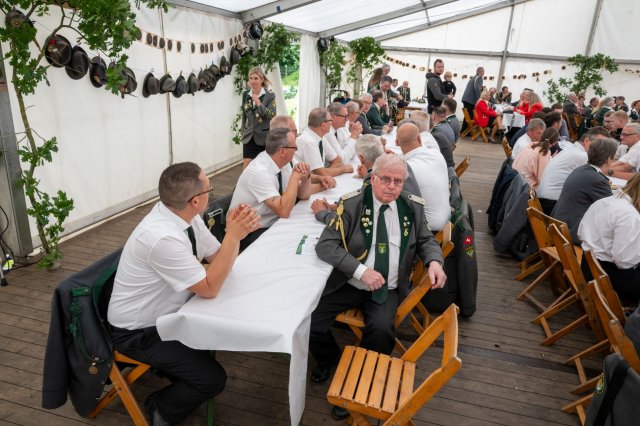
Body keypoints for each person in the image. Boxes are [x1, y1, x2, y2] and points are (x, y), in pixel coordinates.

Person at [108, 162, 260, 425]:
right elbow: (210, 288)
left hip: (170, 313)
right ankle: (159, 406)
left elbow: (216, 258)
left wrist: (234, 230)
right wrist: (234, 237)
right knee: (212, 379)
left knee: (218, 337)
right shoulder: (161, 237)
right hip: (138, 332)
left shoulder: (183, 216)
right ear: (196, 201)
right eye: (209, 188)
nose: (211, 192)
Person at [310, 154, 446, 418]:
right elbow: (325, 246)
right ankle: (330, 359)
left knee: (382, 330)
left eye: (398, 181)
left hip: (388, 287)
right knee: (312, 320)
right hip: (350, 281)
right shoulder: (352, 204)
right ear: (373, 178)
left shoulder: (412, 206)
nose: (392, 187)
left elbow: (426, 239)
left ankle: (358, 385)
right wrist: (361, 271)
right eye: (386, 180)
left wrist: (434, 261)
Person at [230, 128, 321, 250]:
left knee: (308, 230)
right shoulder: (259, 172)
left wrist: (306, 177)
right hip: (250, 232)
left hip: (271, 222)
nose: (296, 151)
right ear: (282, 151)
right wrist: (295, 177)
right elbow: (284, 211)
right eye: (294, 148)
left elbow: (303, 195)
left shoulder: (282, 162)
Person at [578, 173, 640, 303]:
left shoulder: (604, 201)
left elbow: (580, 233)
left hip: (588, 267)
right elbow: (623, 262)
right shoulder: (630, 216)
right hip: (607, 278)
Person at [551, 137, 618, 243]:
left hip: (559, 227)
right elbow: (613, 210)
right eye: (614, 158)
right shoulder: (597, 179)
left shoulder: (581, 169)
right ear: (608, 159)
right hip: (570, 233)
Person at [536, 126, 609, 214]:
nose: (602, 148)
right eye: (599, 144)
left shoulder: (571, 149)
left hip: (544, 200)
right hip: (551, 204)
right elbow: (604, 173)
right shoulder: (581, 155)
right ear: (586, 141)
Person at [396, 123, 450, 231]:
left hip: (428, 228)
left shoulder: (407, 169)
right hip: (446, 220)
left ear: (397, 143)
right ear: (419, 138)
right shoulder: (436, 154)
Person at [295, 108, 353, 177]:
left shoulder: (320, 136)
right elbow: (321, 173)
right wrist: (343, 169)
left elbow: (337, 160)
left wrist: (327, 173)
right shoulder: (308, 141)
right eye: (331, 120)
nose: (332, 122)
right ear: (323, 125)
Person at [241, 67, 277, 168]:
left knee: (263, 167)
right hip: (249, 138)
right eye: (251, 78)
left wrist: (258, 103)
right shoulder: (245, 95)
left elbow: (272, 114)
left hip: (263, 139)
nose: (253, 81)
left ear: (262, 79)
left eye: (256, 78)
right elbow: (244, 115)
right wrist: (243, 131)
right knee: (246, 166)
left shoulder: (269, 95)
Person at [461, 67, 484, 132]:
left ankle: (465, 131)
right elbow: (477, 89)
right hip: (470, 100)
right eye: (483, 71)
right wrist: (479, 99)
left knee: (467, 116)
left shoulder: (473, 78)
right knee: (470, 116)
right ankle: (466, 131)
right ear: (480, 72)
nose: (484, 73)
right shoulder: (479, 78)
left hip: (466, 99)